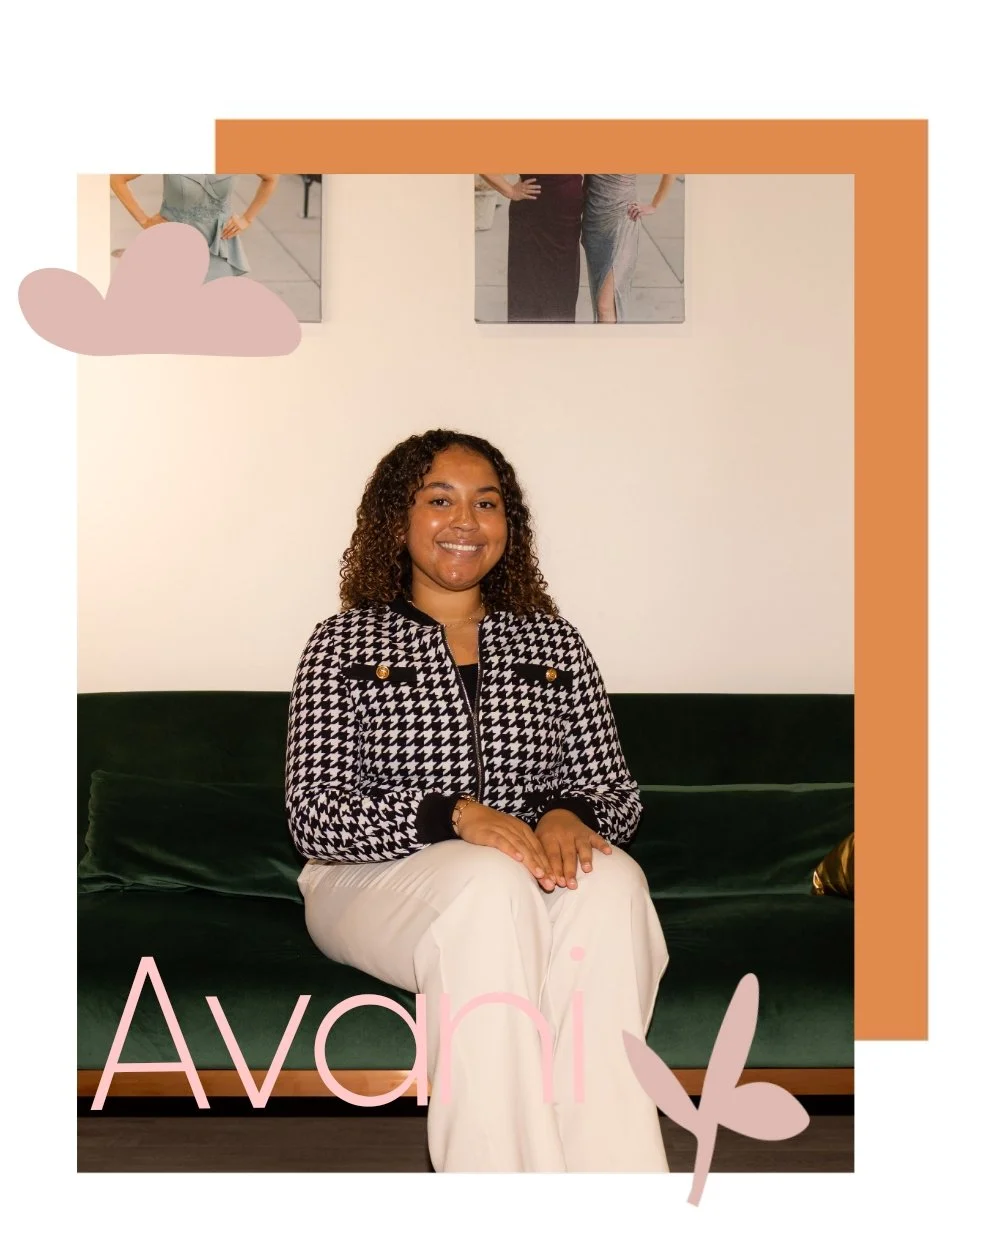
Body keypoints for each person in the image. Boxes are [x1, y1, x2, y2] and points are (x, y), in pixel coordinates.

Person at [285, 429, 671, 1173]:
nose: (466, 521)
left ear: (508, 527)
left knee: (614, 881)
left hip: (522, 878)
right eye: (440, 500)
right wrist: (453, 815)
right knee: (488, 880)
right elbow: (315, 812)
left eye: (486, 503)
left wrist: (568, 811)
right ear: (397, 522)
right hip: (371, 881)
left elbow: (616, 794)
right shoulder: (342, 643)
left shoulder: (553, 643)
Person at [109, 174, 279, 279]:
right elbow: (117, 179)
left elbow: (271, 177)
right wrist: (144, 221)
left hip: (219, 247)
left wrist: (246, 219)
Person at [478, 174, 585, 322]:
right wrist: (510, 191)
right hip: (533, 220)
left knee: (561, 302)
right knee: (528, 302)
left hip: (567, 223)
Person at [582, 174, 674, 323]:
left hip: (623, 221)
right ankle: (603, 344)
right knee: (601, 302)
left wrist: (654, 204)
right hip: (594, 223)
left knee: (605, 304)